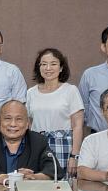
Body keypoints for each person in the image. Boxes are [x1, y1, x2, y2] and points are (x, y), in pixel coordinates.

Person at [25, 48, 84, 178]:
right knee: (38, 186)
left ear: (61, 67)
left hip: (64, 146)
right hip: (38, 146)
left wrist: (74, 155)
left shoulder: (70, 91)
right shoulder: (31, 93)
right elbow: (28, 124)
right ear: (39, 67)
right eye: (44, 64)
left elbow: (77, 126)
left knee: (63, 189)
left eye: (53, 63)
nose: (48, 68)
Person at [0, 100, 56, 185]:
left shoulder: (39, 141)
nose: (13, 124)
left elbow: (53, 169)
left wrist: (34, 177)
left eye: (19, 119)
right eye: (7, 119)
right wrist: (6, 179)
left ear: (27, 123)